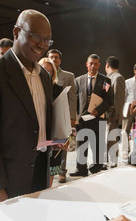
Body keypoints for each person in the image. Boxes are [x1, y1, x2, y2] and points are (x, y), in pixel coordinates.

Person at [0, 9, 54, 207]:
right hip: (7, 183)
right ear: (16, 32)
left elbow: (39, 125)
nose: (42, 45)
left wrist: (55, 143)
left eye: (47, 40)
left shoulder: (45, 76)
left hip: (39, 175)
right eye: (36, 37)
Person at [70, 54, 112, 177]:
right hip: (82, 119)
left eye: (95, 63)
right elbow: (75, 101)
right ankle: (81, 169)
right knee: (81, 145)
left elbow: (109, 100)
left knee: (97, 145)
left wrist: (97, 111)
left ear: (99, 65)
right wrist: (75, 117)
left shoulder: (105, 81)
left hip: (98, 118)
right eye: (91, 63)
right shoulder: (78, 80)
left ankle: (96, 167)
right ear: (86, 64)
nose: (93, 66)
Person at [47, 49, 77, 183]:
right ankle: (48, 171)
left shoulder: (69, 76)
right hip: (47, 117)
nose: (54, 59)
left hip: (62, 116)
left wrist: (71, 118)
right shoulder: (41, 75)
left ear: (60, 60)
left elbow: (72, 99)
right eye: (51, 57)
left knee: (62, 144)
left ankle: (61, 171)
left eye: (57, 57)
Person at [38, 57, 65, 187]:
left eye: (50, 71)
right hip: (38, 133)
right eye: (44, 69)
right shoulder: (33, 88)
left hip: (54, 134)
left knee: (52, 164)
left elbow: (62, 113)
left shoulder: (58, 89)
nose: (47, 73)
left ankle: (48, 190)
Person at [105, 56, 125, 168]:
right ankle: (107, 162)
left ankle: (113, 163)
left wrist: (116, 115)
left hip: (112, 116)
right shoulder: (108, 77)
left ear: (107, 65)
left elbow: (119, 99)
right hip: (106, 115)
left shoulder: (118, 78)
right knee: (107, 140)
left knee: (112, 140)